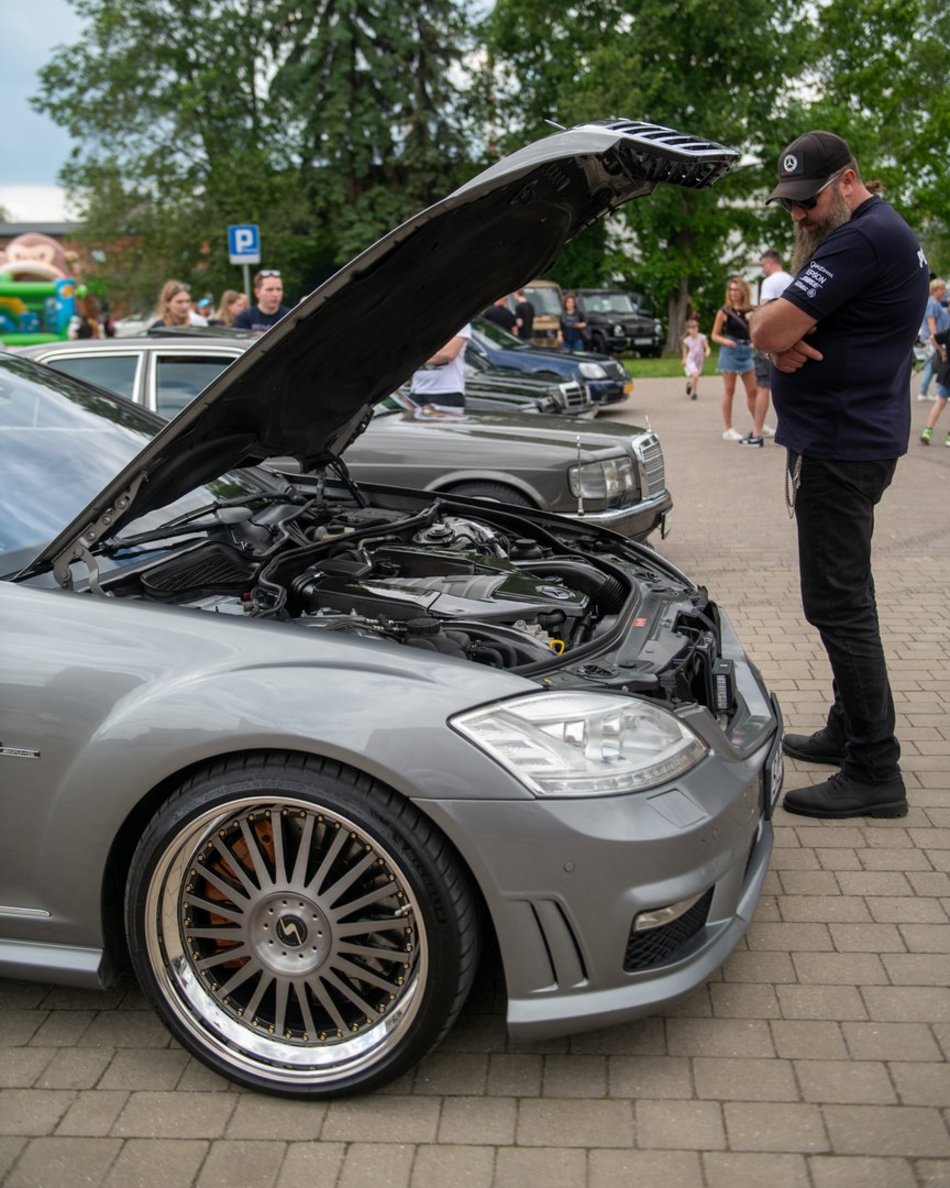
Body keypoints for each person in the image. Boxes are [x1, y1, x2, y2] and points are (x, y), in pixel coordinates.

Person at [750, 129, 929, 819]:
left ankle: (874, 769)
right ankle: (848, 727)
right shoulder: (877, 231)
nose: (800, 214)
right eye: (791, 204)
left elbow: (767, 329)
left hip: (841, 447)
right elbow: (781, 332)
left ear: (848, 181)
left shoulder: (861, 239)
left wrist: (776, 341)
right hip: (854, 439)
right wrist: (780, 342)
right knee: (851, 595)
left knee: (837, 605)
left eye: (810, 200)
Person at [751, 249, 794, 440]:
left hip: (772, 341)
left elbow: (765, 311)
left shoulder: (769, 282)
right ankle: (788, 429)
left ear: (770, 263)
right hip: (791, 338)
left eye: (762, 265)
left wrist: (757, 338)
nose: (762, 269)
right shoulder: (791, 279)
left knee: (763, 386)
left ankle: (757, 433)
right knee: (787, 387)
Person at [711, 278, 757, 442]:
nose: (733, 293)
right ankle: (728, 428)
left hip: (746, 352)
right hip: (730, 352)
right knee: (729, 390)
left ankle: (758, 425)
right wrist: (726, 342)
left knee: (753, 391)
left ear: (743, 291)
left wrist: (754, 341)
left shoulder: (751, 310)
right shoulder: (724, 312)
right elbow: (714, 335)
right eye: (731, 290)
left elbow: (755, 331)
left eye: (736, 289)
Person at [407, 324, 471, 413]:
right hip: (417, 391)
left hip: (445, 392)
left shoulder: (459, 322)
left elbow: (447, 354)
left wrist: (413, 359)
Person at [917, 278, 948, 400]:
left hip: (931, 339)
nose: (944, 291)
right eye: (942, 289)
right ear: (935, 290)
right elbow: (931, 322)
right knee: (931, 365)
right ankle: (926, 392)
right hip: (931, 339)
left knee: (931, 365)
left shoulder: (936, 303)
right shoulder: (933, 304)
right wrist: (937, 340)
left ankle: (924, 391)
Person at [920, 322, 950, 445]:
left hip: (947, 372)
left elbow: (933, 338)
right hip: (947, 372)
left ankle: (927, 431)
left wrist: (942, 351)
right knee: (940, 402)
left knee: (939, 402)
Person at [681, 317, 710, 399]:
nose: (694, 330)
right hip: (691, 359)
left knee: (695, 377)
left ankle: (693, 391)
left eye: (696, 328)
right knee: (695, 375)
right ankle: (691, 388)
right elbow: (685, 351)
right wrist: (684, 358)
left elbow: (707, 347)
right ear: (688, 330)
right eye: (692, 328)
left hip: (699, 359)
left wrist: (707, 352)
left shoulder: (702, 337)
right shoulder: (687, 340)